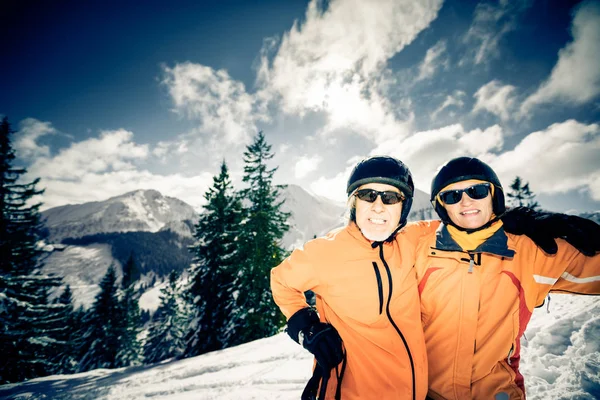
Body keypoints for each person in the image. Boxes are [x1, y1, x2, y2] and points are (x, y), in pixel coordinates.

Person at [415, 156, 600, 400]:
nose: (466, 201)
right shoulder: (418, 250)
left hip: (496, 393)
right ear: (442, 206)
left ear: (494, 196)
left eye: (477, 190)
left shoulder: (533, 250)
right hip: (427, 393)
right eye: (452, 195)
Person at [270, 156, 435, 400]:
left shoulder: (411, 240)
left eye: (390, 198)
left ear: (404, 207)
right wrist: (306, 327)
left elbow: (461, 224)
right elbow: (281, 280)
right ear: (354, 203)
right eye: (368, 195)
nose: (378, 206)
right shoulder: (326, 251)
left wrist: (505, 223)